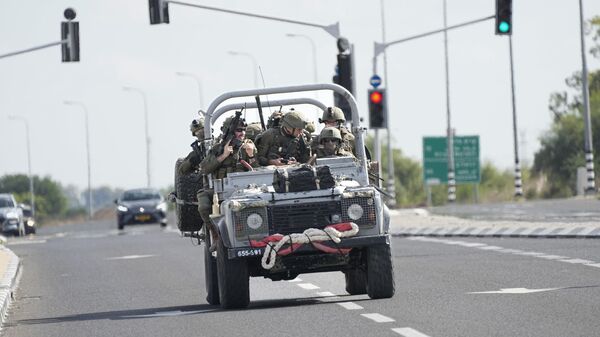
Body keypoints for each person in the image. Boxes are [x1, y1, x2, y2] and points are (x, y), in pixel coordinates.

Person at [197, 116, 258, 251]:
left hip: (247, 189)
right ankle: (215, 233)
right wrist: (223, 156)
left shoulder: (249, 146)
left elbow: (259, 171)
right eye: (238, 130)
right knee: (203, 202)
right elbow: (204, 169)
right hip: (222, 190)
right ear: (229, 132)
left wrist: (251, 156)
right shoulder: (218, 148)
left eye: (243, 130)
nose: (242, 133)